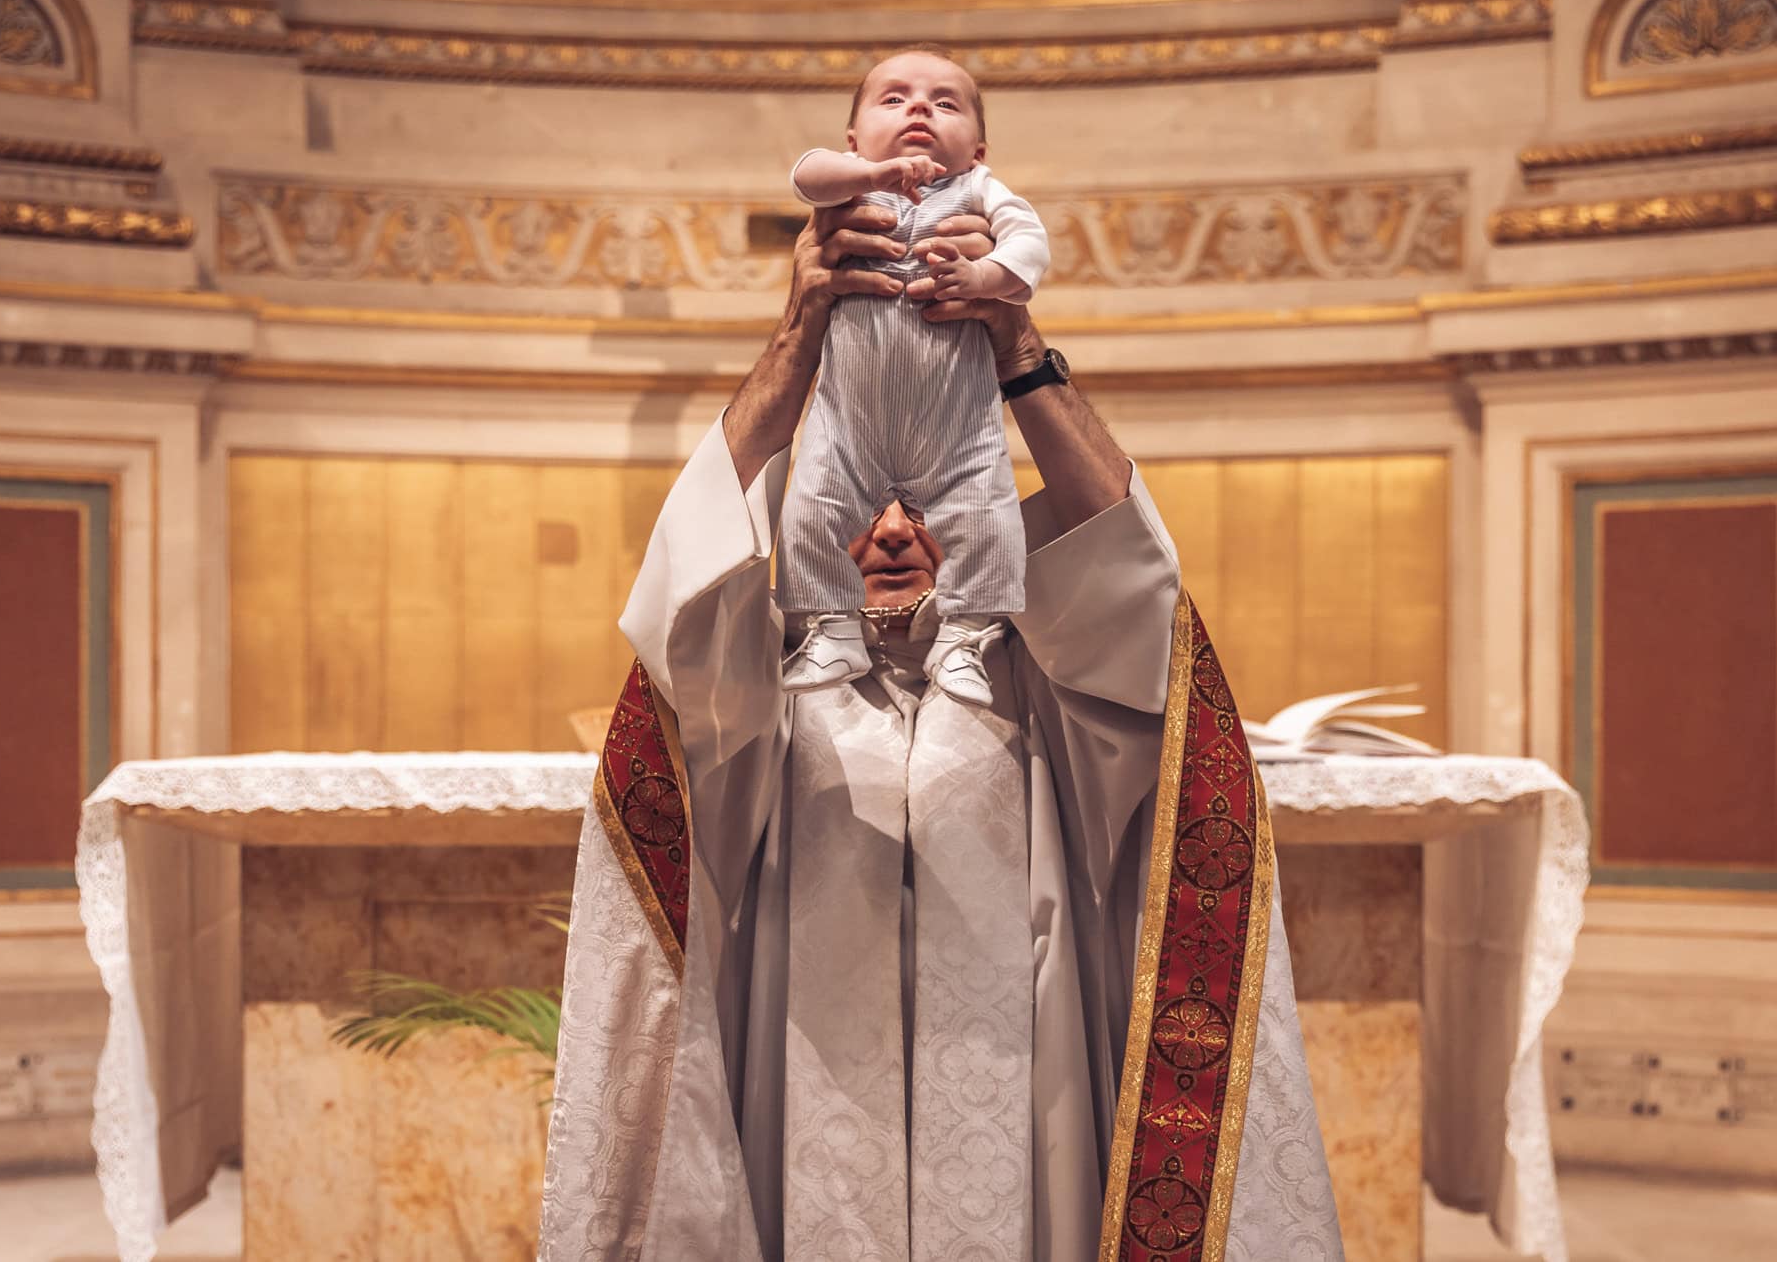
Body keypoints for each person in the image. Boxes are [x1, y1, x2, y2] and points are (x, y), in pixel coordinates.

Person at [538, 199, 1344, 1261]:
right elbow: (681, 598)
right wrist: (796, 342)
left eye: (922, 502)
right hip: (806, 1150)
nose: (888, 533)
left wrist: (1015, 343)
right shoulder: (758, 690)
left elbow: (1136, 585)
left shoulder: (1047, 684)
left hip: (1026, 1138)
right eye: (859, 500)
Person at [778, 48, 1049, 708]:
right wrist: (873, 173)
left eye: (945, 102)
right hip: (849, 421)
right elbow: (806, 174)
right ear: (853, 138)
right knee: (809, 508)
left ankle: (964, 637)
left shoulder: (979, 190)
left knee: (988, 519)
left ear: (978, 150)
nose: (920, 107)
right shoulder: (850, 187)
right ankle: (831, 628)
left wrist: (980, 276)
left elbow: (1030, 245)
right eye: (893, 99)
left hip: (955, 425)